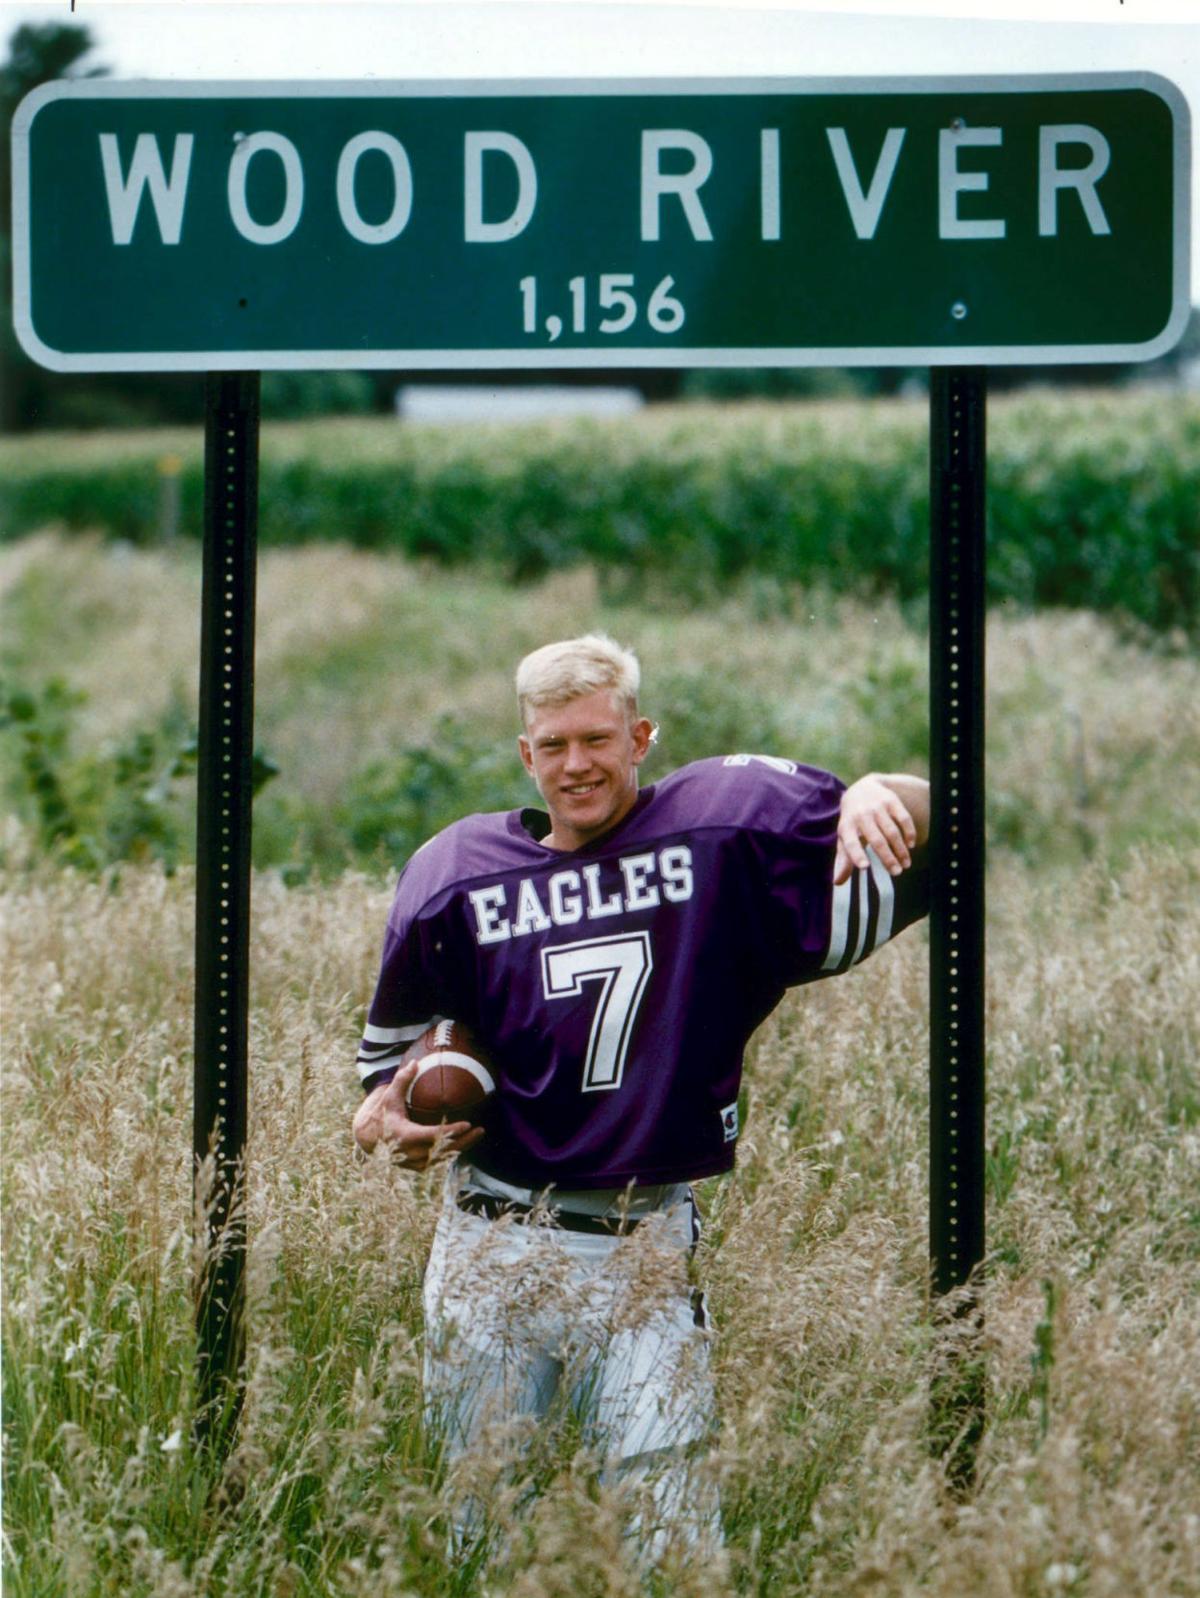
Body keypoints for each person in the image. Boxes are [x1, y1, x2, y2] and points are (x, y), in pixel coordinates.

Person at [352, 633, 930, 1563]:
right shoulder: (458, 873)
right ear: (525, 754)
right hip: (488, 1240)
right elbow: (384, 1078)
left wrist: (877, 790)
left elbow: (936, 821)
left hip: (642, 1245)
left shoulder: (722, 837)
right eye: (553, 745)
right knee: (481, 1541)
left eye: (596, 739)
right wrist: (385, 1118)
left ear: (640, 737)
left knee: (673, 1540)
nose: (576, 764)